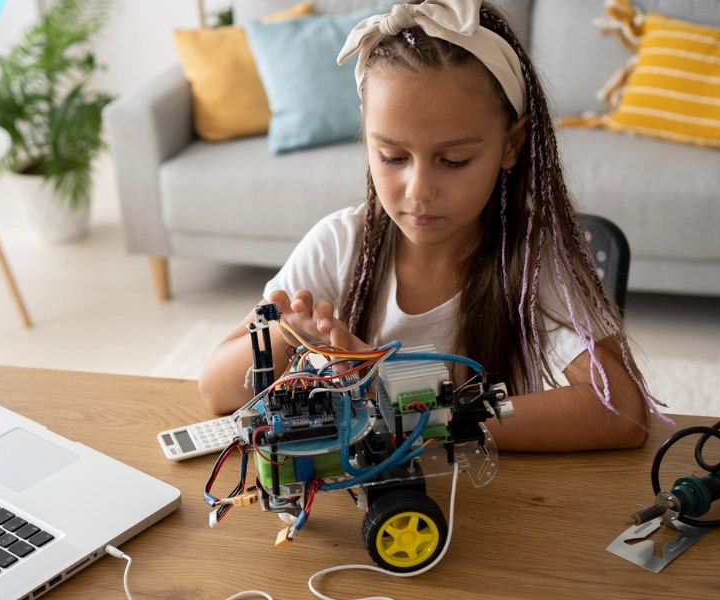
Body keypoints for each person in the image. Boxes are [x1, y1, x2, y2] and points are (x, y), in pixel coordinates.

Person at [199, 0, 666, 451]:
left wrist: (415, 411)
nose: (419, 189)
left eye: (455, 160)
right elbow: (216, 390)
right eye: (392, 157)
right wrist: (288, 333)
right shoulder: (339, 243)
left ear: (511, 144)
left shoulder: (532, 260)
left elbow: (621, 412)